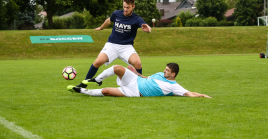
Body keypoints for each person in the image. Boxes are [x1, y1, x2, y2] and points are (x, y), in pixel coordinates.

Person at [76, 0, 151, 88]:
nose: (125, 9)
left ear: (133, 7)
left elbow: (146, 27)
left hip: (126, 47)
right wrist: (101, 28)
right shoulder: (116, 14)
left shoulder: (136, 18)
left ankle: (139, 86)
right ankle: (84, 84)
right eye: (124, 7)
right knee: (98, 62)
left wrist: (148, 29)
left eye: (128, 7)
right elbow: (109, 21)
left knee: (137, 63)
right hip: (112, 44)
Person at [68, 63, 212, 98]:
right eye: (165, 69)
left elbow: (189, 93)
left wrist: (203, 95)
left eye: (167, 71)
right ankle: (98, 79)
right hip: (135, 79)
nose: (164, 71)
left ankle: (81, 90)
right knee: (117, 67)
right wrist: (135, 73)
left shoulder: (174, 86)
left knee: (106, 92)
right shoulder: (160, 74)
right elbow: (147, 78)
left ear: (173, 74)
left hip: (134, 91)